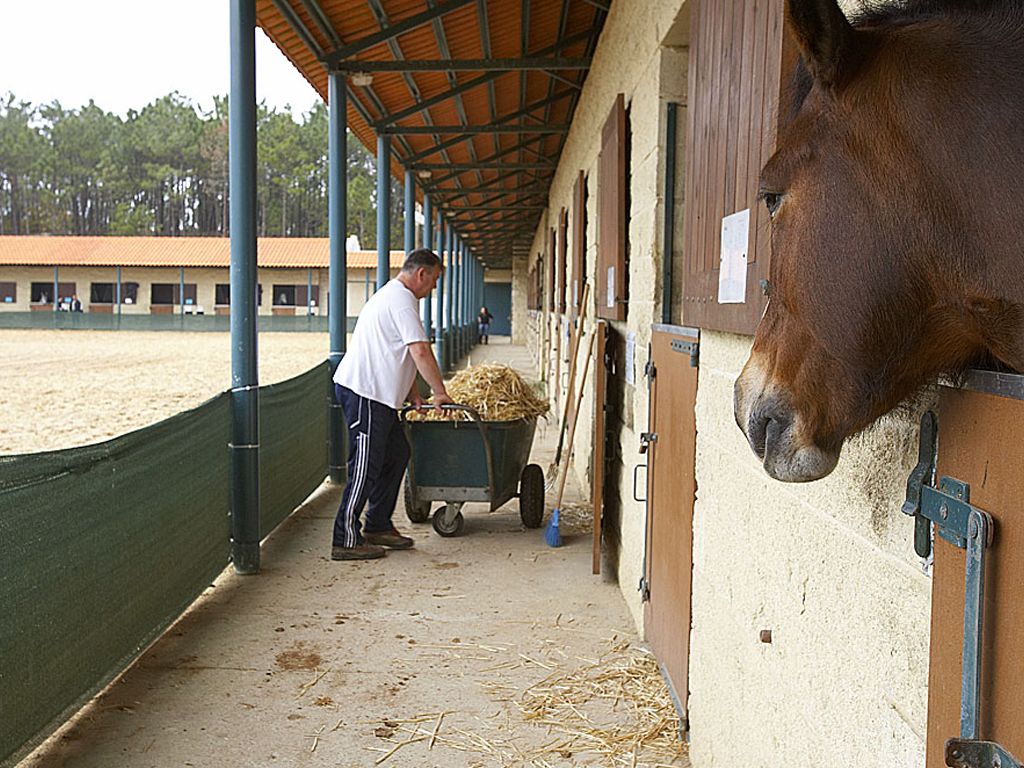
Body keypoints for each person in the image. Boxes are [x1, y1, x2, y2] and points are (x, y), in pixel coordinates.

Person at [331, 247, 454, 561]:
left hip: (382, 394)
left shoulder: (398, 297)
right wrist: (439, 392)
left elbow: (399, 352)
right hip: (366, 392)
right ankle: (345, 538)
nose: (435, 287)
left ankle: (378, 524)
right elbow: (420, 351)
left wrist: (413, 392)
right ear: (421, 274)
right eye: (435, 279)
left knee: (397, 452)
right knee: (366, 464)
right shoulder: (400, 300)